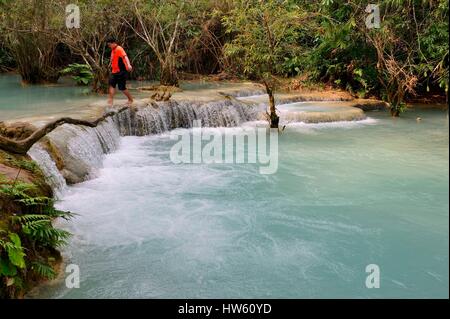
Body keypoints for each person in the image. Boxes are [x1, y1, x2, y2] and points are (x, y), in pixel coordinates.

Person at [106, 37, 133, 106]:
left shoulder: (119, 49)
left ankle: (130, 99)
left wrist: (129, 65)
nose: (109, 46)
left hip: (121, 71)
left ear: (113, 43)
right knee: (111, 85)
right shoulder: (113, 50)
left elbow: (125, 57)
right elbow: (113, 59)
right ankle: (110, 100)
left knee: (122, 88)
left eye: (109, 45)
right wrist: (110, 64)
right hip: (114, 72)